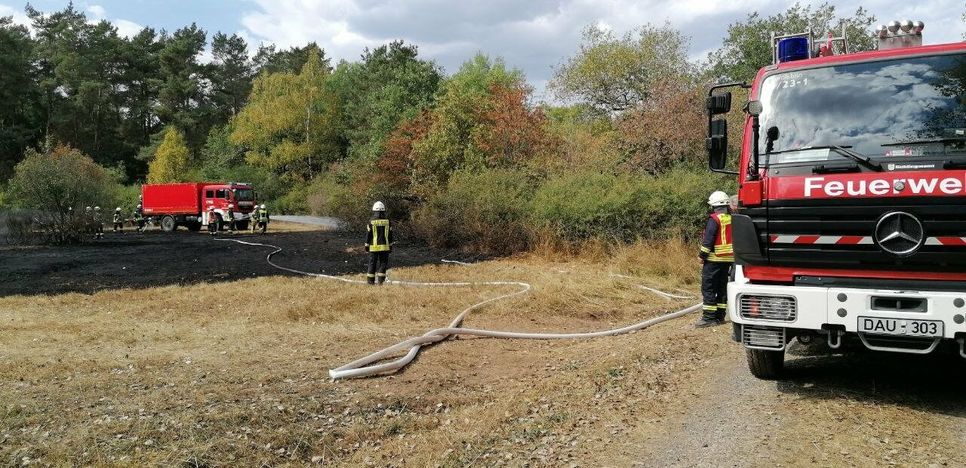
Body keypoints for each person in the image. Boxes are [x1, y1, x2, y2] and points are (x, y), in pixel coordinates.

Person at [696, 190, 734, 328]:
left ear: (713, 206)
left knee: (709, 288)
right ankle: (720, 316)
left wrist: (702, 256)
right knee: (722, 287)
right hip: (728, 260)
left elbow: (709, 239)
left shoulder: (715, 219)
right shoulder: (733, 218)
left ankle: (709, 318)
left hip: (713, 259)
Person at [365, 201, 393, 285]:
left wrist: (366, 245)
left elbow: (368, 235)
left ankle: (370, 282)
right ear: (384, 211)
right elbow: (390, 235)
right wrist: (391, 246)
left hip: (373, 248)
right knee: (383, 264)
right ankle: (380, 282)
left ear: (374, 210)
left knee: (372, 264)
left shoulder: (371, 221)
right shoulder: (388, 221)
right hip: (385, 247)